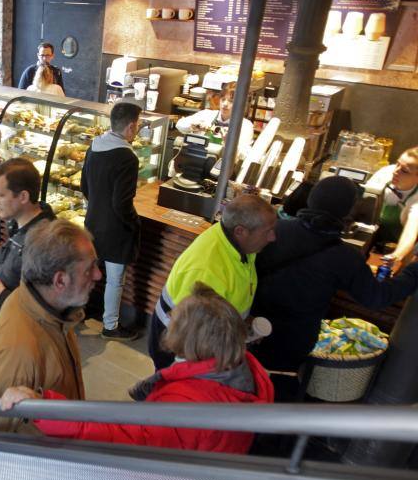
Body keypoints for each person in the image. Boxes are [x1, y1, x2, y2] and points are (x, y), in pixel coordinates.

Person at [1, 283, 274, 454]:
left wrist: (43, 407)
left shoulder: (186, 403)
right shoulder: (243, 373)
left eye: (176, 320)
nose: (169, 322)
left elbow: (119, 437)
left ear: (191, 339)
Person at [251, 176, 418, 379]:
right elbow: (376, 297)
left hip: (251, 327)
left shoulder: (273, 230)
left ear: (311, 199)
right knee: (270, 386)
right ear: (348, 211)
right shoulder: (346, 257)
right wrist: (412, 272)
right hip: (292, 342)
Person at [0, 220, 100, 433]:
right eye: (89, 269)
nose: (98, 275)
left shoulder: (52, 310)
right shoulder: (18, 354)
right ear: (60, 281)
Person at [149, 194, 277, 370]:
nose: (273, 237)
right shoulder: (207, 270)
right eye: (267, 231)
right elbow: (193, 336)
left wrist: (242, 321)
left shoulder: (236, 243)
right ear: (240, 231)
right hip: (184, 348)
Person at [81, 102, 142, 341]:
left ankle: (78, 310)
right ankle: (110, 326)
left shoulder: (94, 146)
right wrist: (133, 222)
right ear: (130, 126)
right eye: (138, 125)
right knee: (115, 280)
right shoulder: (127, 157)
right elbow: (121, 203)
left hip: (92, 222)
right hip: (116, 228)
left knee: (88, 271)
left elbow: (84, 187)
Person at [0, 158, 55, 319]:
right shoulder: (19, 225)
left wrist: (1, 296)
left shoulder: (43, 244)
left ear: (23, 196)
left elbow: (46, 309)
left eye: (0, 195)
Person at [175, 82, 254, 161]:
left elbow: (245, 156)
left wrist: (230, 143)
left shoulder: (245, 126)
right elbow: (179, 125)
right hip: (197, 161)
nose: (225, 104)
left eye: (231, 101)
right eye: (223, 99)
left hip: (223, 166)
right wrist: (193, 126)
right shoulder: (207, 114)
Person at [367, 147, 418, 263]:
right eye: (397, 164)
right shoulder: (385, 173)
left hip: (397, 244)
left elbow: (411, 232)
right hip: (370, 233)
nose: (395, 171)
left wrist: (396, 255)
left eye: (404, 171)